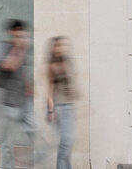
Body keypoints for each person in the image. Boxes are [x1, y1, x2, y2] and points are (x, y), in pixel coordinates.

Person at [0, 18, 33, 169]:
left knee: (38, 137)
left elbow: (23, 72)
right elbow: (8, 65)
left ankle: (30, 163)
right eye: (16, 33)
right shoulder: (4, 48)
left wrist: (30, 88)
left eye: (22, 33)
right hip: (9, 103)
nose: (20, 37)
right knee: (7, 144)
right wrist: (18, 48)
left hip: (25, 102)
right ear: (10, 34)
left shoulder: (24, 49)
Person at [46, 36, 76, 169]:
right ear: (53, 48)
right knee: (65, 141)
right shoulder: (51, 66)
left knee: (67, 142)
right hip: (58, 107)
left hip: (68, 106)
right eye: (57, 46)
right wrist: (51, 110)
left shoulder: (67, 61)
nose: (59, 48)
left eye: (61, 45)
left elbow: (71, 84)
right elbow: (50, 90)